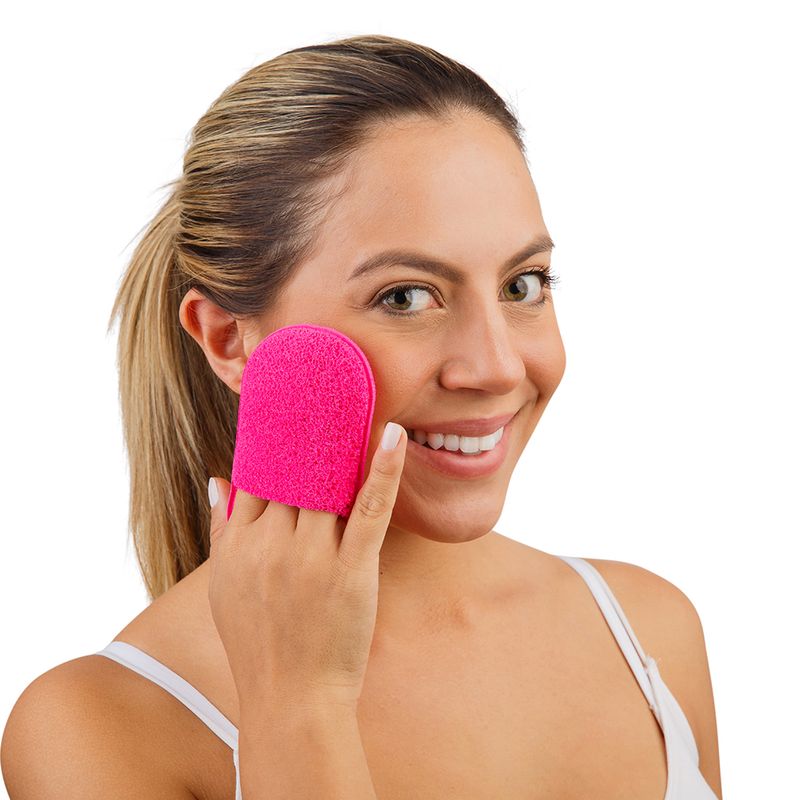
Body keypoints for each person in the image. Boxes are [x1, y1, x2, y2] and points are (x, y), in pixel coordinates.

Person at [0, 33, 722, 799]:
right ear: (228, 340)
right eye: (405, 297)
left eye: (523, 285)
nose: (499, 367)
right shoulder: (98, 728)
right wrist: (296, 703)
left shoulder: (648, 629)